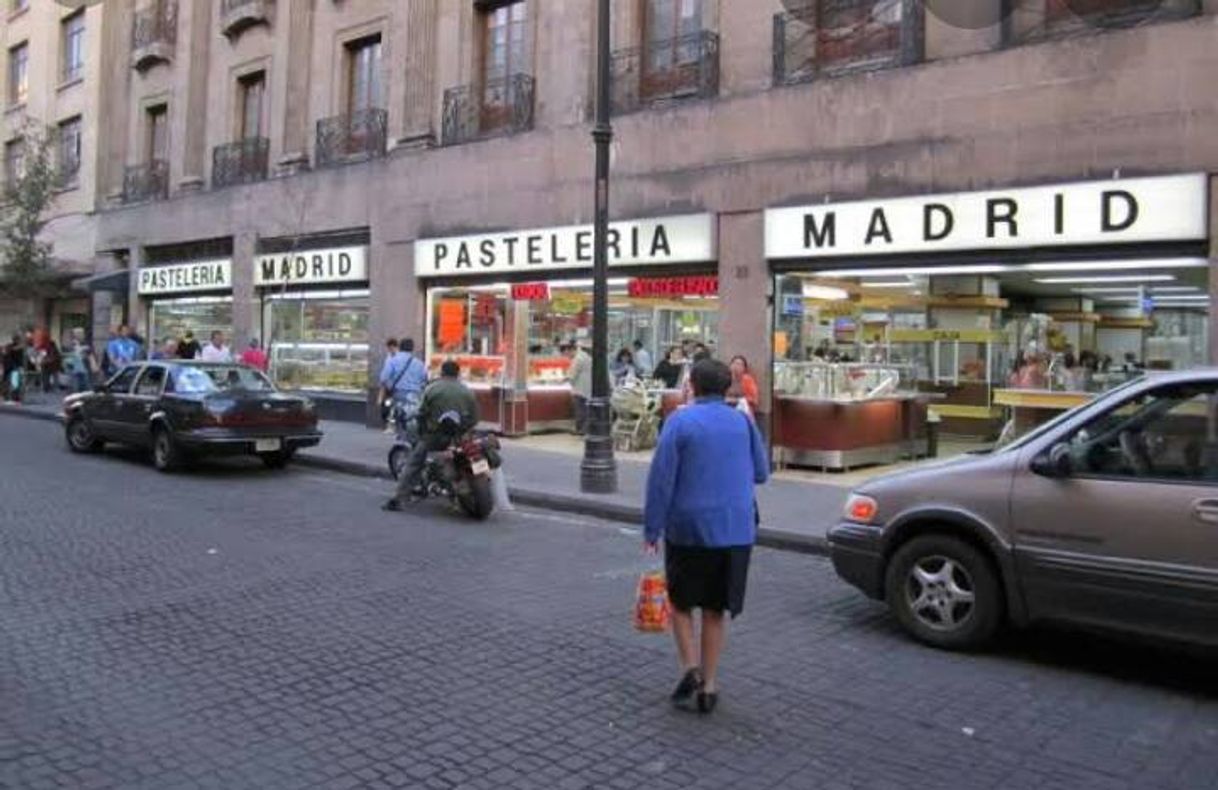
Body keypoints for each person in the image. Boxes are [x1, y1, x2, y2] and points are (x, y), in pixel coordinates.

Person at [643, 359, 769, 714]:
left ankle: (690, 667)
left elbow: (661, 480)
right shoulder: (743, 423)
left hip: (688, 528)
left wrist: (653, 527)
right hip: (735, 530)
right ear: (728, 387)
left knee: (682, 603)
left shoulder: (679, 422)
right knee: (716, 610)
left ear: (693, 386)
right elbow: (761, 473)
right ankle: (710, 686)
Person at [383, 360, 479, 512]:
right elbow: (474, 419)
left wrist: (423, 432)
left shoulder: (432, 389)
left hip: (435, 436)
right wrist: (462, 430)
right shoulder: (467, 391)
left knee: (414, 463)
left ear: (442, 373)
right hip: (458, 438)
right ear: (458, 374)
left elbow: (421, 414)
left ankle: (399, 499)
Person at [378, 338, 428, 421]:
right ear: (412, 348)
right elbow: (424, 380)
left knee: (399, 418)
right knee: (412, 419)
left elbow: (383, 378)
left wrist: (390, 386)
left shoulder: (392, 361)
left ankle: (400, 431)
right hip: (415, 395)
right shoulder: (420, 363)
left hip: (398, 394)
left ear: (400, 347)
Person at [564, 342, 592, 435]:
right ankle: (584, 429)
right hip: (586, 387)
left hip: (580, 388)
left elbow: (572, 374)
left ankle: (580, 429)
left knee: (580, 409)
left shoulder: (578, 358)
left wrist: (566, 379)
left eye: (567, 352)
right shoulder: (586, 356)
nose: (567, 355)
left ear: (572, 350)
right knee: (585, 409)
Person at [3, 334, 25, 403]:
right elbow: (12, 350)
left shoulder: (14, 347)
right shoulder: (11, 347)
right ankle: (13, 397)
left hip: (13, 367)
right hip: (13, 367)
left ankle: (13, 397)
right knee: (14, 383)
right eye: (18, 339)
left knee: (15, 383)